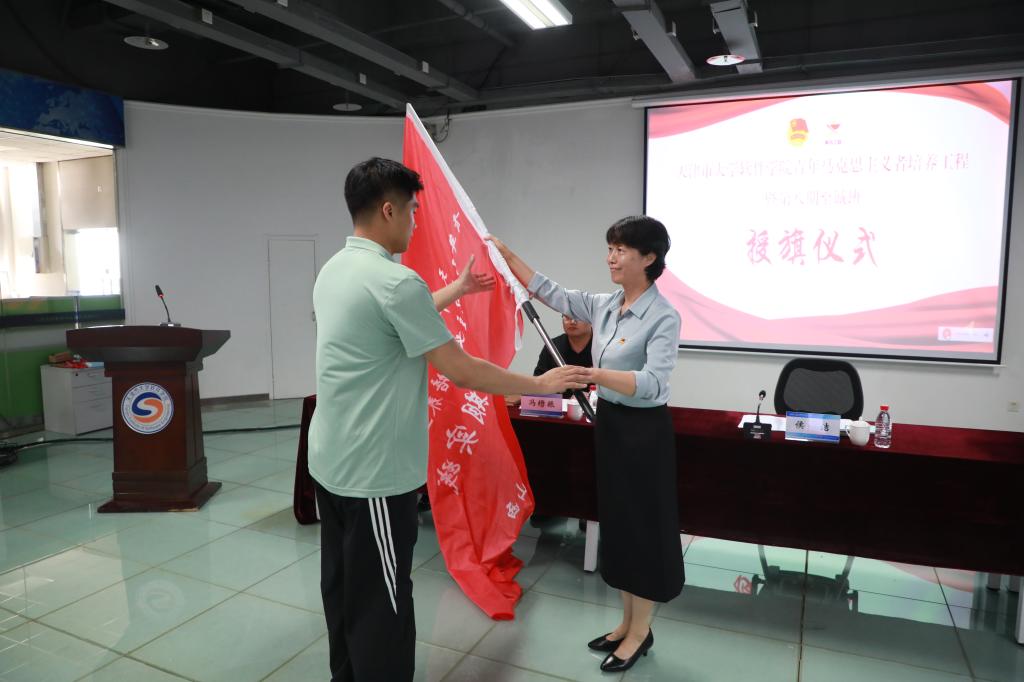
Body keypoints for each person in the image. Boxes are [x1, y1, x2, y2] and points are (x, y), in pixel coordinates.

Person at [308, 157, 588, 682]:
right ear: (388, 210)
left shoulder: (336, 270)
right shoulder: (396, 282)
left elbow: (390, 319)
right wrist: (542, 383)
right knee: (383, 601)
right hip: (374, 474)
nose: (415, 222)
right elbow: (460, 369)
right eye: (412, 211)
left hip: (329, 461)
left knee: (342, 587)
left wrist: (455, 290)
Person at [488, 216, 683, 674]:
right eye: (610, 248)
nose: (610, 258)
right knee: (619, 526)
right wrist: (507, 255)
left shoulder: (663, 316)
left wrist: (595, 375)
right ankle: (626, 623)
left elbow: (654, 384)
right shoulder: (606, 304)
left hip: (644, 433)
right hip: (611, 426)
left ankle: (640, 631)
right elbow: (550, 291)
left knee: (643, 530)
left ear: (649, 258)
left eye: (621, 250)